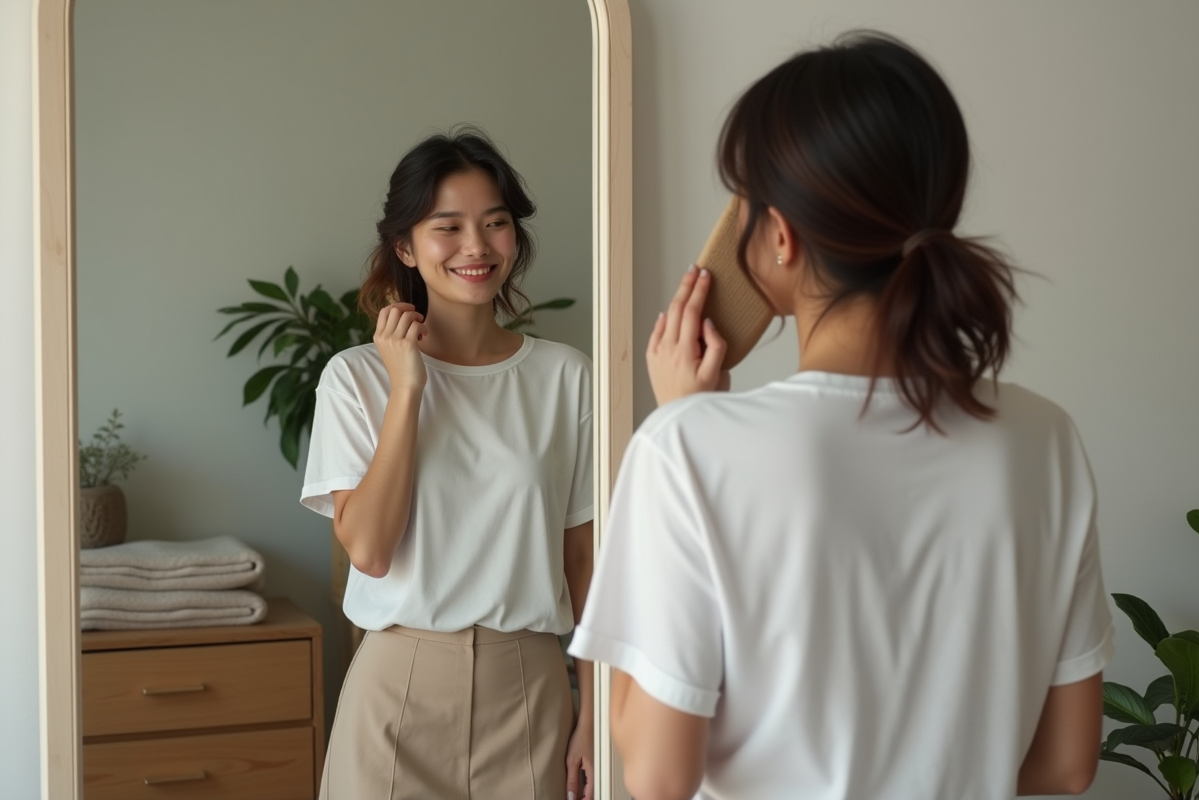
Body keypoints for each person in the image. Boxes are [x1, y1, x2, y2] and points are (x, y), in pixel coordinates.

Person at [569, 31, 1113, 800]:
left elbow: (659, 773)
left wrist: (685, 422)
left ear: (779, 234)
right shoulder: (1044, 439)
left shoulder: (686, 451)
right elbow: (1065, 763)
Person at [301, 127, 595, 800]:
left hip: (532, 693)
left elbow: (583, 561)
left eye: (495, 223)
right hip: (396, 693)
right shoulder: (355, 379)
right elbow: (370, 550)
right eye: (448, 227)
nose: (477, 246)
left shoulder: (566, 378)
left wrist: (596, 708)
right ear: (405, 247)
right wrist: (407, 388)